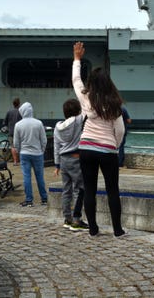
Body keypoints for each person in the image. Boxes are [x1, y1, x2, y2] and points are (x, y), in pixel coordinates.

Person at [72, 41, 126, 237]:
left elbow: (76, 80)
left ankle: (93, 229)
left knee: (89, 188)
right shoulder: (114, 104)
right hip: (107, 150)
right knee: (112, 190)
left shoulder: (86, 99)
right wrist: (115, 146)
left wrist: (77, 59)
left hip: (86, 147)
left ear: (92, 83)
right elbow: (119, 130)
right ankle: (117, 230)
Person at [53, 98, 88, 231]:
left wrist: (57, 165)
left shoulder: (58, 127)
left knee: (66, 190)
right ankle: (77, 220)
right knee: (80, 189)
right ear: (78, 110)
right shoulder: (78, 121)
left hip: (63, 160)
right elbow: (86, 111)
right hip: (75, 158)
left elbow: (56, 147)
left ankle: (67, 218)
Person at [13, 101, 47, 207]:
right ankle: (44, 199)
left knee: (26, 177)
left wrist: (19, 151)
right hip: (37, 153)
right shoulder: (39, 123)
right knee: (40, 176)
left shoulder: (18, 125)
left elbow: (16, 142)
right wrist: (41, 150)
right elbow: (44, 140)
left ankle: (29, 200)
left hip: (24, 153)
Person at [3, 97, 22, 165]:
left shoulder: (9, 112)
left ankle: (15, 161)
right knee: (20, 146)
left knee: (13, 147)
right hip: (19, 132)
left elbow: (4, 122)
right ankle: (21, 161)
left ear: (13, 104)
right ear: (19, 104)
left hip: (11, 132)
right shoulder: (21, 112)